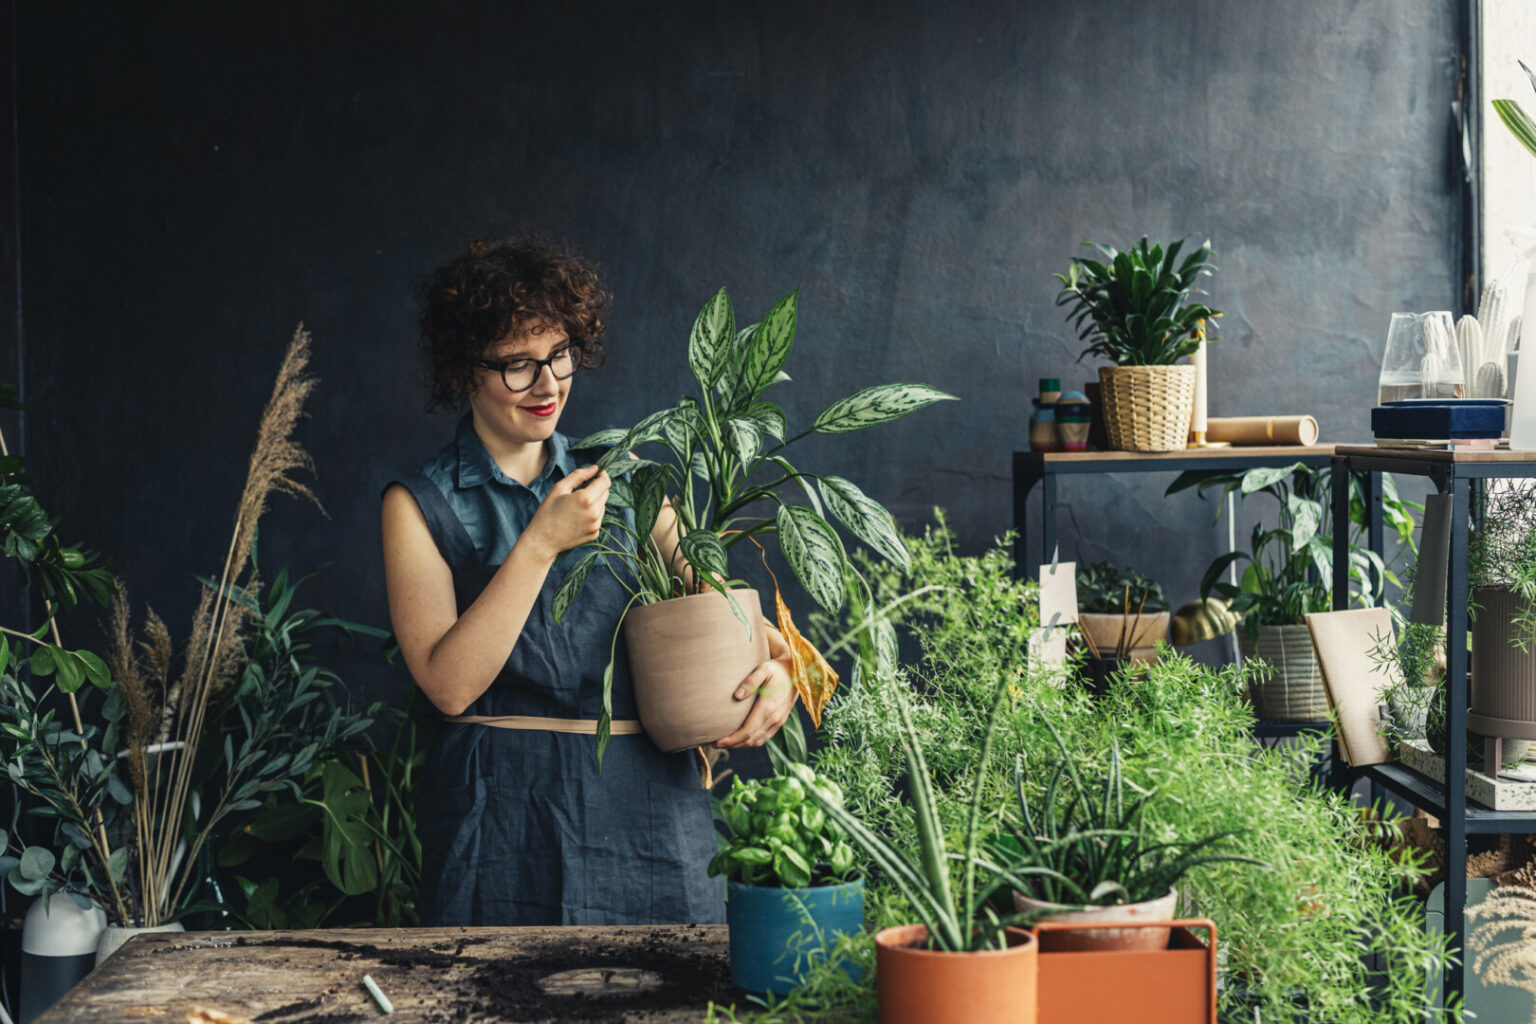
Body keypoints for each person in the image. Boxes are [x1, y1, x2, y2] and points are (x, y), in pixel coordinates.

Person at [381, 237, 798, 927]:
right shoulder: (419, 504)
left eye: (559, 355)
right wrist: (541, 542)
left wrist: (777, 668)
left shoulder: (626, 477)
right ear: (464, 372)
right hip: (502, 823)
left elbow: (717, 603)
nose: (547, 385)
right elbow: (449, 684)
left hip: (652, 818)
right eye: (517, 365)